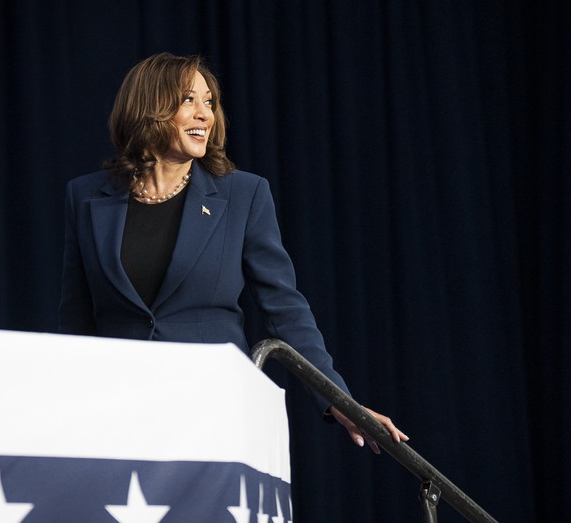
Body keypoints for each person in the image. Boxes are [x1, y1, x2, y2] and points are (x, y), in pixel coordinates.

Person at [59, 52, 406, 453]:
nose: (204, 114)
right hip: (120, 414)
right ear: (149, 108)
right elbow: (77, 320)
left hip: (213, 411)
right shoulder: (85, 197)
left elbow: (285, 309)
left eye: (209, 102)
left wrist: (338, 400)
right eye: (188, 100)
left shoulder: (243, 194)